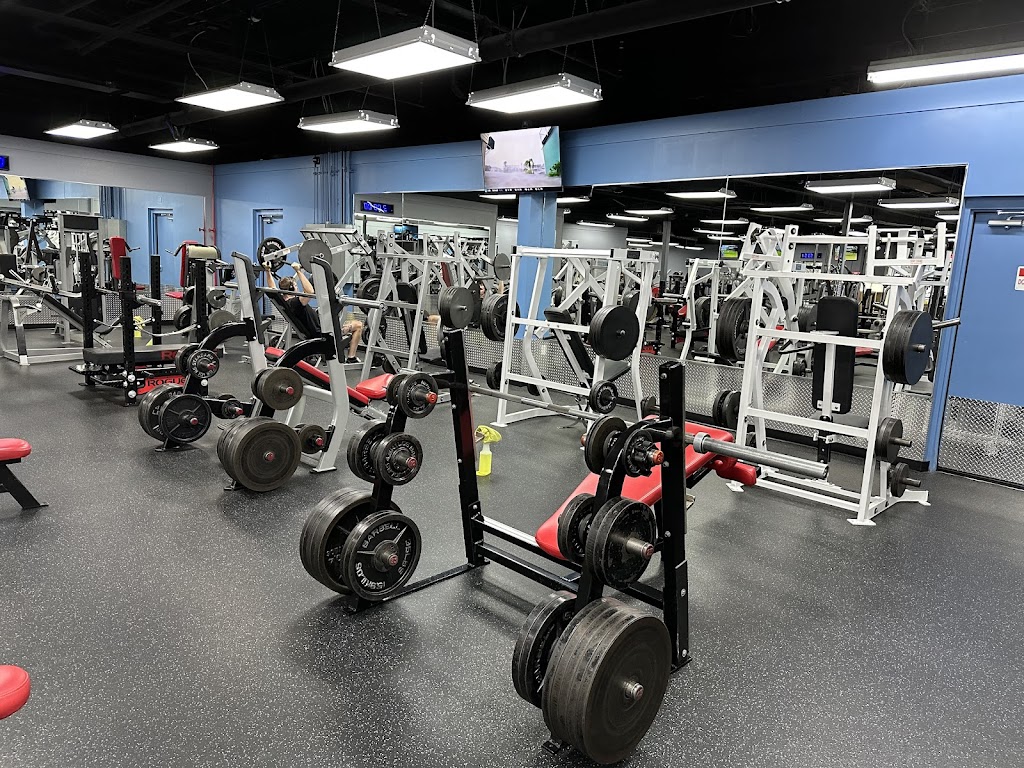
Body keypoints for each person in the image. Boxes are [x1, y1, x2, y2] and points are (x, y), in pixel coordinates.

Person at [266, 261, 364, 364]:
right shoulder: (295, 303)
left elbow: (272, 288)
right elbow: (310, 291)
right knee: (358, 325)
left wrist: (268, 271)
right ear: (291, 288)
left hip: (317, 330)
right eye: (295, 285)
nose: (297, 287)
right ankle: (351, 357)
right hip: (323, 333)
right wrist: (298, 271)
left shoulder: (283, 301)